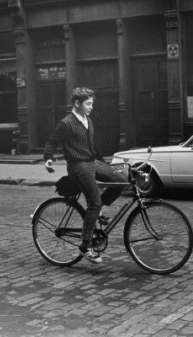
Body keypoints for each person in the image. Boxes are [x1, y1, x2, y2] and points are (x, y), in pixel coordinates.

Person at [44, 87, 126, 264]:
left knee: (121, 181)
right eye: (88, 104)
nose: (91, 107)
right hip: (78, 165)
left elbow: (93, 147)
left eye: (92, 103)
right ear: (77, 103)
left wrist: (104, 164)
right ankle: (85, 245)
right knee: (93, 203)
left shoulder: (88, 120)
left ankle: (98, 211)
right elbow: (52, 141)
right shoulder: (67, 123)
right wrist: (48, 159)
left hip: (91, 161)